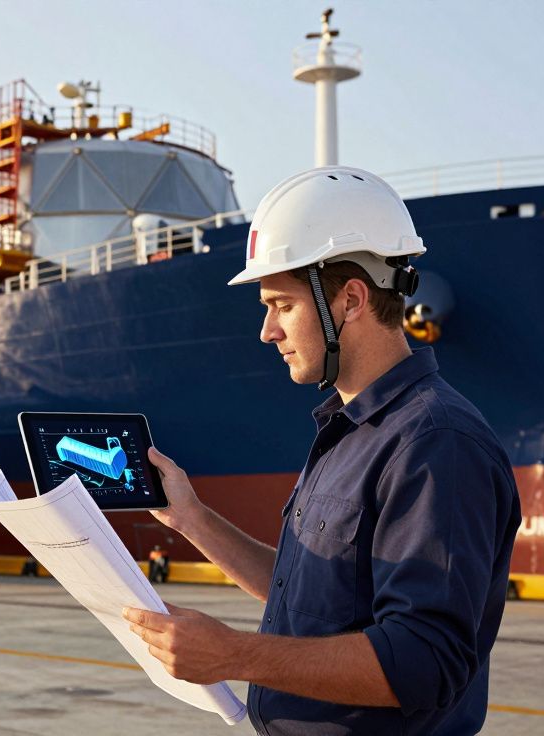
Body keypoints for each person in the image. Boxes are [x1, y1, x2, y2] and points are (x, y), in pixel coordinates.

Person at [123, 166, 522, 735]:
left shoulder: (436, 443)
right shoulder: (349, 429)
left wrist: (234, 654)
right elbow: (306, 590)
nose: (268, 331)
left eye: (281, 305)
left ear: (352, 300)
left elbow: (424, 663)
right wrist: (193, 519)